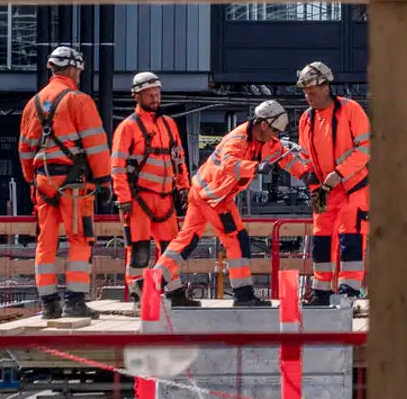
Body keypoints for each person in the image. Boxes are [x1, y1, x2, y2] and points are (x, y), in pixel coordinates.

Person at [151, 100, 309, 307]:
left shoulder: (267, 142)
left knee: (185, 241)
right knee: (237, 239)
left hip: (204, 192)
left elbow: (284, 158)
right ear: (263, 125)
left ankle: (152, 283)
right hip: (214, 196)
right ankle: (243, 295)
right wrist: (256, 167)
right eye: (275, 130)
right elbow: (229, 165)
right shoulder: (237, 139)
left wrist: (306, 175)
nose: (277, 136)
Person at [19, 46, 112, 320]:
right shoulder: (78, 100)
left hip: (43, 181)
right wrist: (104, 180)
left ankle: (48, 304)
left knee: (45, 242)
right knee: (80, 238)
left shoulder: (32, 104)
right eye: (79, 71)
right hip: (73, 184)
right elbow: (96, 144)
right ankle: (75, 300)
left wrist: (31, 181)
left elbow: (25, 150)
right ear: (72, 69)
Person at [293, 62, 370, 305]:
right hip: (324, 191)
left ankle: (348, 290)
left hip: (352, 188)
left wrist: (338, 174)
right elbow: (304, 157)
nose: (309, 97)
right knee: (321, 241)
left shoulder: (350, 110)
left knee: (351, 239)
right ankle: (321, 292)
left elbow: (366, 149)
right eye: (305, 92)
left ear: (326, 87)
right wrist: (311, 183)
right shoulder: (306, 118)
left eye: (312, 91)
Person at [111, 72, 190, 295]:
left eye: (157, 94)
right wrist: (124, 197)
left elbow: (178, 158)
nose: (155, 99)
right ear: (137, 96)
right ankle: (139, 295)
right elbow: (117, 166)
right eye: (149, 95)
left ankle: (174, 292)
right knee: (139, 250)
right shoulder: (128, 127)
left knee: (170, 250)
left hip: (165, 199)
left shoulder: (169, 124)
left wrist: (184, 187)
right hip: (139, 200)